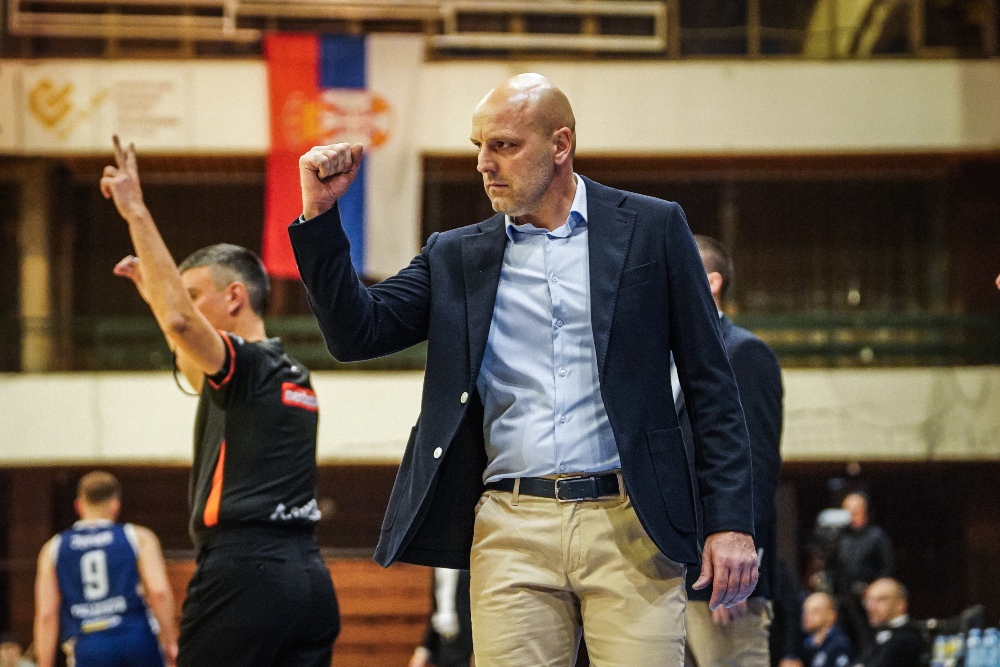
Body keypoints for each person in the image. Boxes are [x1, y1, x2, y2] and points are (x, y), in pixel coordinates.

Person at [289, 73, 758, 667]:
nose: (484, 164)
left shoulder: (653, 228)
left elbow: (711, 386)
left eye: (504, 145)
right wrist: (321, 215)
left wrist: (730, 523)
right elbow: (357, 333)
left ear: (560, 144)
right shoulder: (456, 254)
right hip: (510, 526)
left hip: (633, 523)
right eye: (479, 146)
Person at [100, 136, 339, 667]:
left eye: (193, 294)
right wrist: (157, 294)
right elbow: (184, 340)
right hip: (308, 580)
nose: (183, 306)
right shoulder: (292, 374)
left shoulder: (246, 366)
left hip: (243, 577)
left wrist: (136, 212)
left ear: (234, 297)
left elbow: (181, 323)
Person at [682, 235, 783, 667]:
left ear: (711, 283)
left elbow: (757, 467)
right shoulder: (667, 355)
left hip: (725, 579)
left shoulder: (744, 352)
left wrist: (738, 571)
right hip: (672, 578)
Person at [33, 471, 178, 667]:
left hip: (89, 644)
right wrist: (170, 642)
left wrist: (45, 664)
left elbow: (46, 615)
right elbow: (159, 592)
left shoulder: (54, 547)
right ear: (115, 505)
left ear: (78, 505)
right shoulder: (138, 536)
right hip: (137, 638)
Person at [832, 493, 894, 651]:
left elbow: (887, 567)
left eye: (855, 510)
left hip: (868, 598)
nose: (851, 514)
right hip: (844, 599)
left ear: (863, 511)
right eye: (847, 510)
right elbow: (833, 567)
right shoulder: (839, 537)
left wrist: (873, 590)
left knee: (867, 640)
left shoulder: (876, 536)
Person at [409, 568, 473, 667]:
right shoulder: (437, 565)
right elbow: (438, 609)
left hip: (468, 645)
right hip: (443, 644)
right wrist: (425, 648)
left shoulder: (471, 563)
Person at [853, 579, 923, 667]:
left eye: (881, 599)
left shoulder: (908, 637)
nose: (871, 607)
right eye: (868, 600)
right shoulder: (878, 635)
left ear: (900, 604)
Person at [800, 592, 853, 667]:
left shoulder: (839, 644)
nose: (807, 616)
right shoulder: (804, 645)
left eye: (815, 611)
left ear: (831, 615)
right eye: (805, 611)